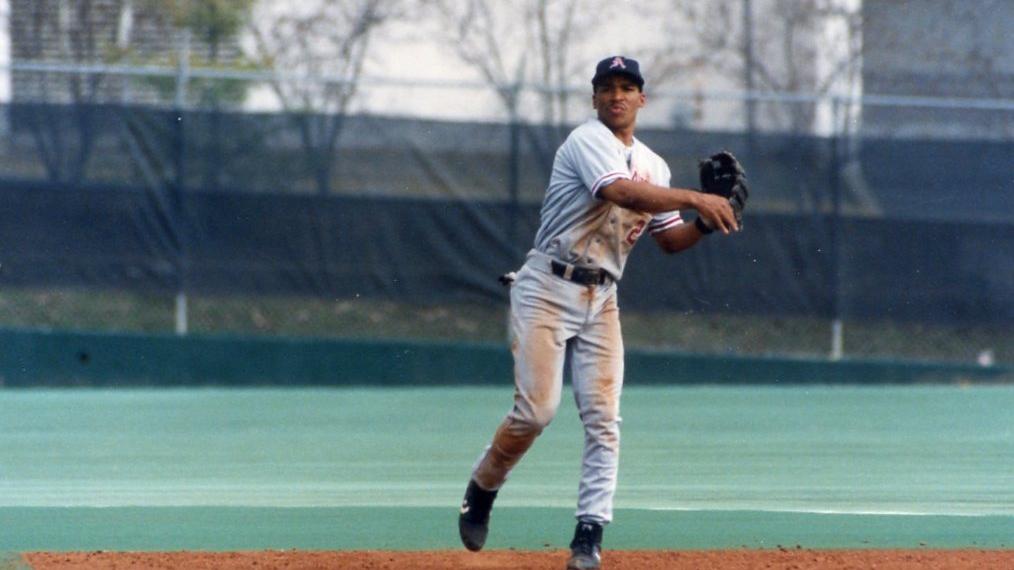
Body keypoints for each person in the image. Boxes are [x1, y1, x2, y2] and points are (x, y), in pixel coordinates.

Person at [458, 55, 740, 570]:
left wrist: (702, 221)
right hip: (547, 285)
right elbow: (619, 191)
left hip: (602, 297)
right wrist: (697, 195)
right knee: (536, 412)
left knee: (604, 419)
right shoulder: (586, 141)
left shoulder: (656, 165)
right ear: (594, 99)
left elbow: (669, 240)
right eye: (606, 87)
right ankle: (483, 486)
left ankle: (588, 536)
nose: (616, 95)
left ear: (641, 99)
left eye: (626, 87)